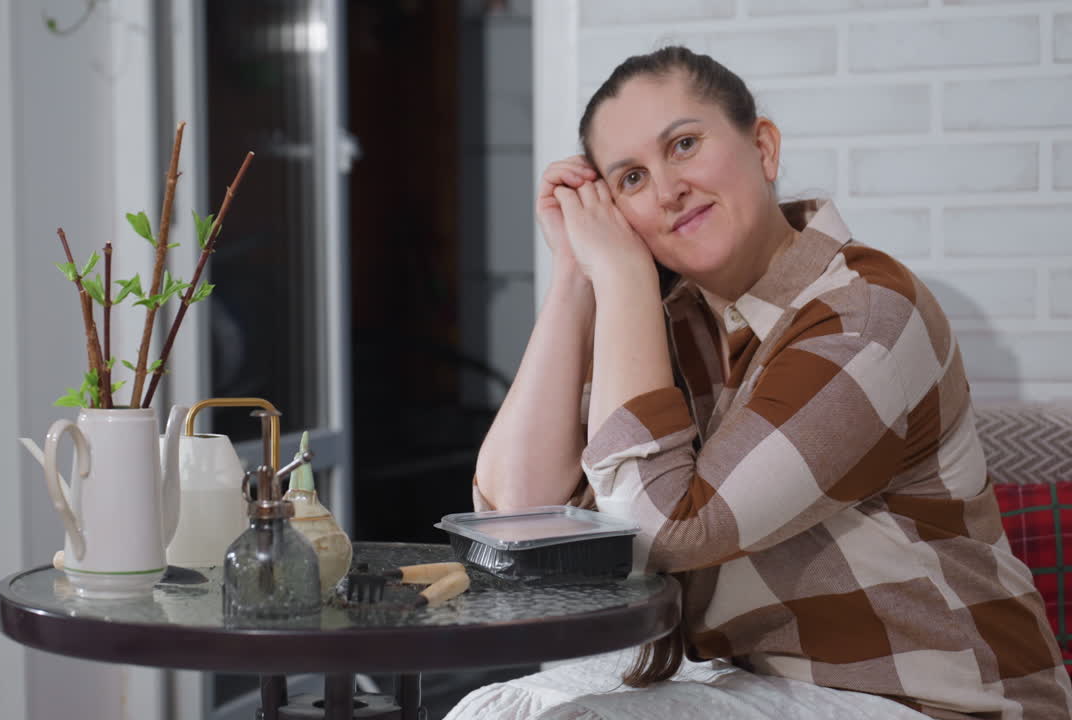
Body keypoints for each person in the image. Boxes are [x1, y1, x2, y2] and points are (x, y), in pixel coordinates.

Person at [455, 46, 1072, 719]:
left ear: (765, 148)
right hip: (767, 688)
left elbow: (661, 531)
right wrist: (577, 275)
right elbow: (518, 517)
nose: (666, 190)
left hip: (939, 704)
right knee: (497, 709)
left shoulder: (865, 316)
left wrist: (626, 279)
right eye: (631, 179)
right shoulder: (668, 328)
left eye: (684, 144)